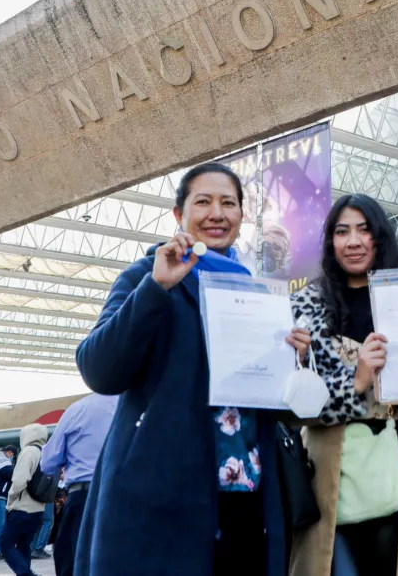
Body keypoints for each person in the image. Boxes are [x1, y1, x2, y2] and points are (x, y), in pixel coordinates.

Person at [74, 162, 289, 576]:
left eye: (228, 203)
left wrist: (291, 363)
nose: (216, 213)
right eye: (202, 201)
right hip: (162, 499)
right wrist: (156, 289)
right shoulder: (148, 274)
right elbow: (99, 370)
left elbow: (271, 406)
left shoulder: (255, 294)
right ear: (179, 215)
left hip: (244, 496)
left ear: (241, 217)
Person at [286, 193, 398, 575]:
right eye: (342, 232)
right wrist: (356, 382)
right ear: (330, 242)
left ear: (380, 237)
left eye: (364, 230)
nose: (353, 241)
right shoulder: (302, 307)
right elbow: (292, 410)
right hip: (328, 491)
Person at [39, 392, 118, 576]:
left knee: (71, 560)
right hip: (122, 496)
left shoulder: (77, 409)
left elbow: (49, 462)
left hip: (83, 497)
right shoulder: (134, 406)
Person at [0, 423, 50, 576]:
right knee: (23, 545)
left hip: (22, 507)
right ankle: (25, 572)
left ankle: (26, 574)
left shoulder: (28, 451)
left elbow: (20, 480)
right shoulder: (46, 452)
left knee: (4, 543)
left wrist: (10, 499)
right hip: (38, 508)